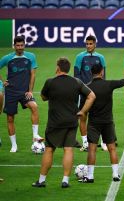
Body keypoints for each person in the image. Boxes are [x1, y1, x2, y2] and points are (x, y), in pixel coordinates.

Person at [79, 63, 124, 183]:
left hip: (93, 123)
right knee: (112, 148)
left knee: (92, 149)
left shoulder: (87, 88)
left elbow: (82, 109)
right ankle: (116, 174)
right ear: (102, 72)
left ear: (92, 73)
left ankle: (90, 176)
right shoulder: (109, 84)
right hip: (108, 122)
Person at [32, 57, 95, 188]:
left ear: (58, 68)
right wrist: (83, 111)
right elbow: (91, 96)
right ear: (68, 68)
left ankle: (41, 180)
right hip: (71, 121)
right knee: (68, 149)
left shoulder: (50, 82)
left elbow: (43, 97)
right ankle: (65, 180)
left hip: (55, 122)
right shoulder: (76, 82)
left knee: (49, 149)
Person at [0, 36, 43, 153]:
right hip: (11, 92)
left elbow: (33, 74)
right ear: (14, 46)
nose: (20, 48)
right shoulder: (7, 58)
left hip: (25, 91)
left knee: (34, 106)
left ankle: (35, 136)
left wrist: (30, 90)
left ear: (24, 45)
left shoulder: (31, 57)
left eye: (21, 45)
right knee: (10, 118)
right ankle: (14, 145)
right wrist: (2, 81)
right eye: (17, 45)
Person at [74, 35, 106, 151]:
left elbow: (104, 75)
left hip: (97, 92)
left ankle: (103, 142)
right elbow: (76, 76)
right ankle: (85, 143)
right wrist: (79, 90)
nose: (88, 46)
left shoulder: (101, 57)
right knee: (83, 116)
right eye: (87, 44)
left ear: (95, 44)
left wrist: (103, 89)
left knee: (100, 117)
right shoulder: (80, 57)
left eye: (91, 44)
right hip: (84, 93)